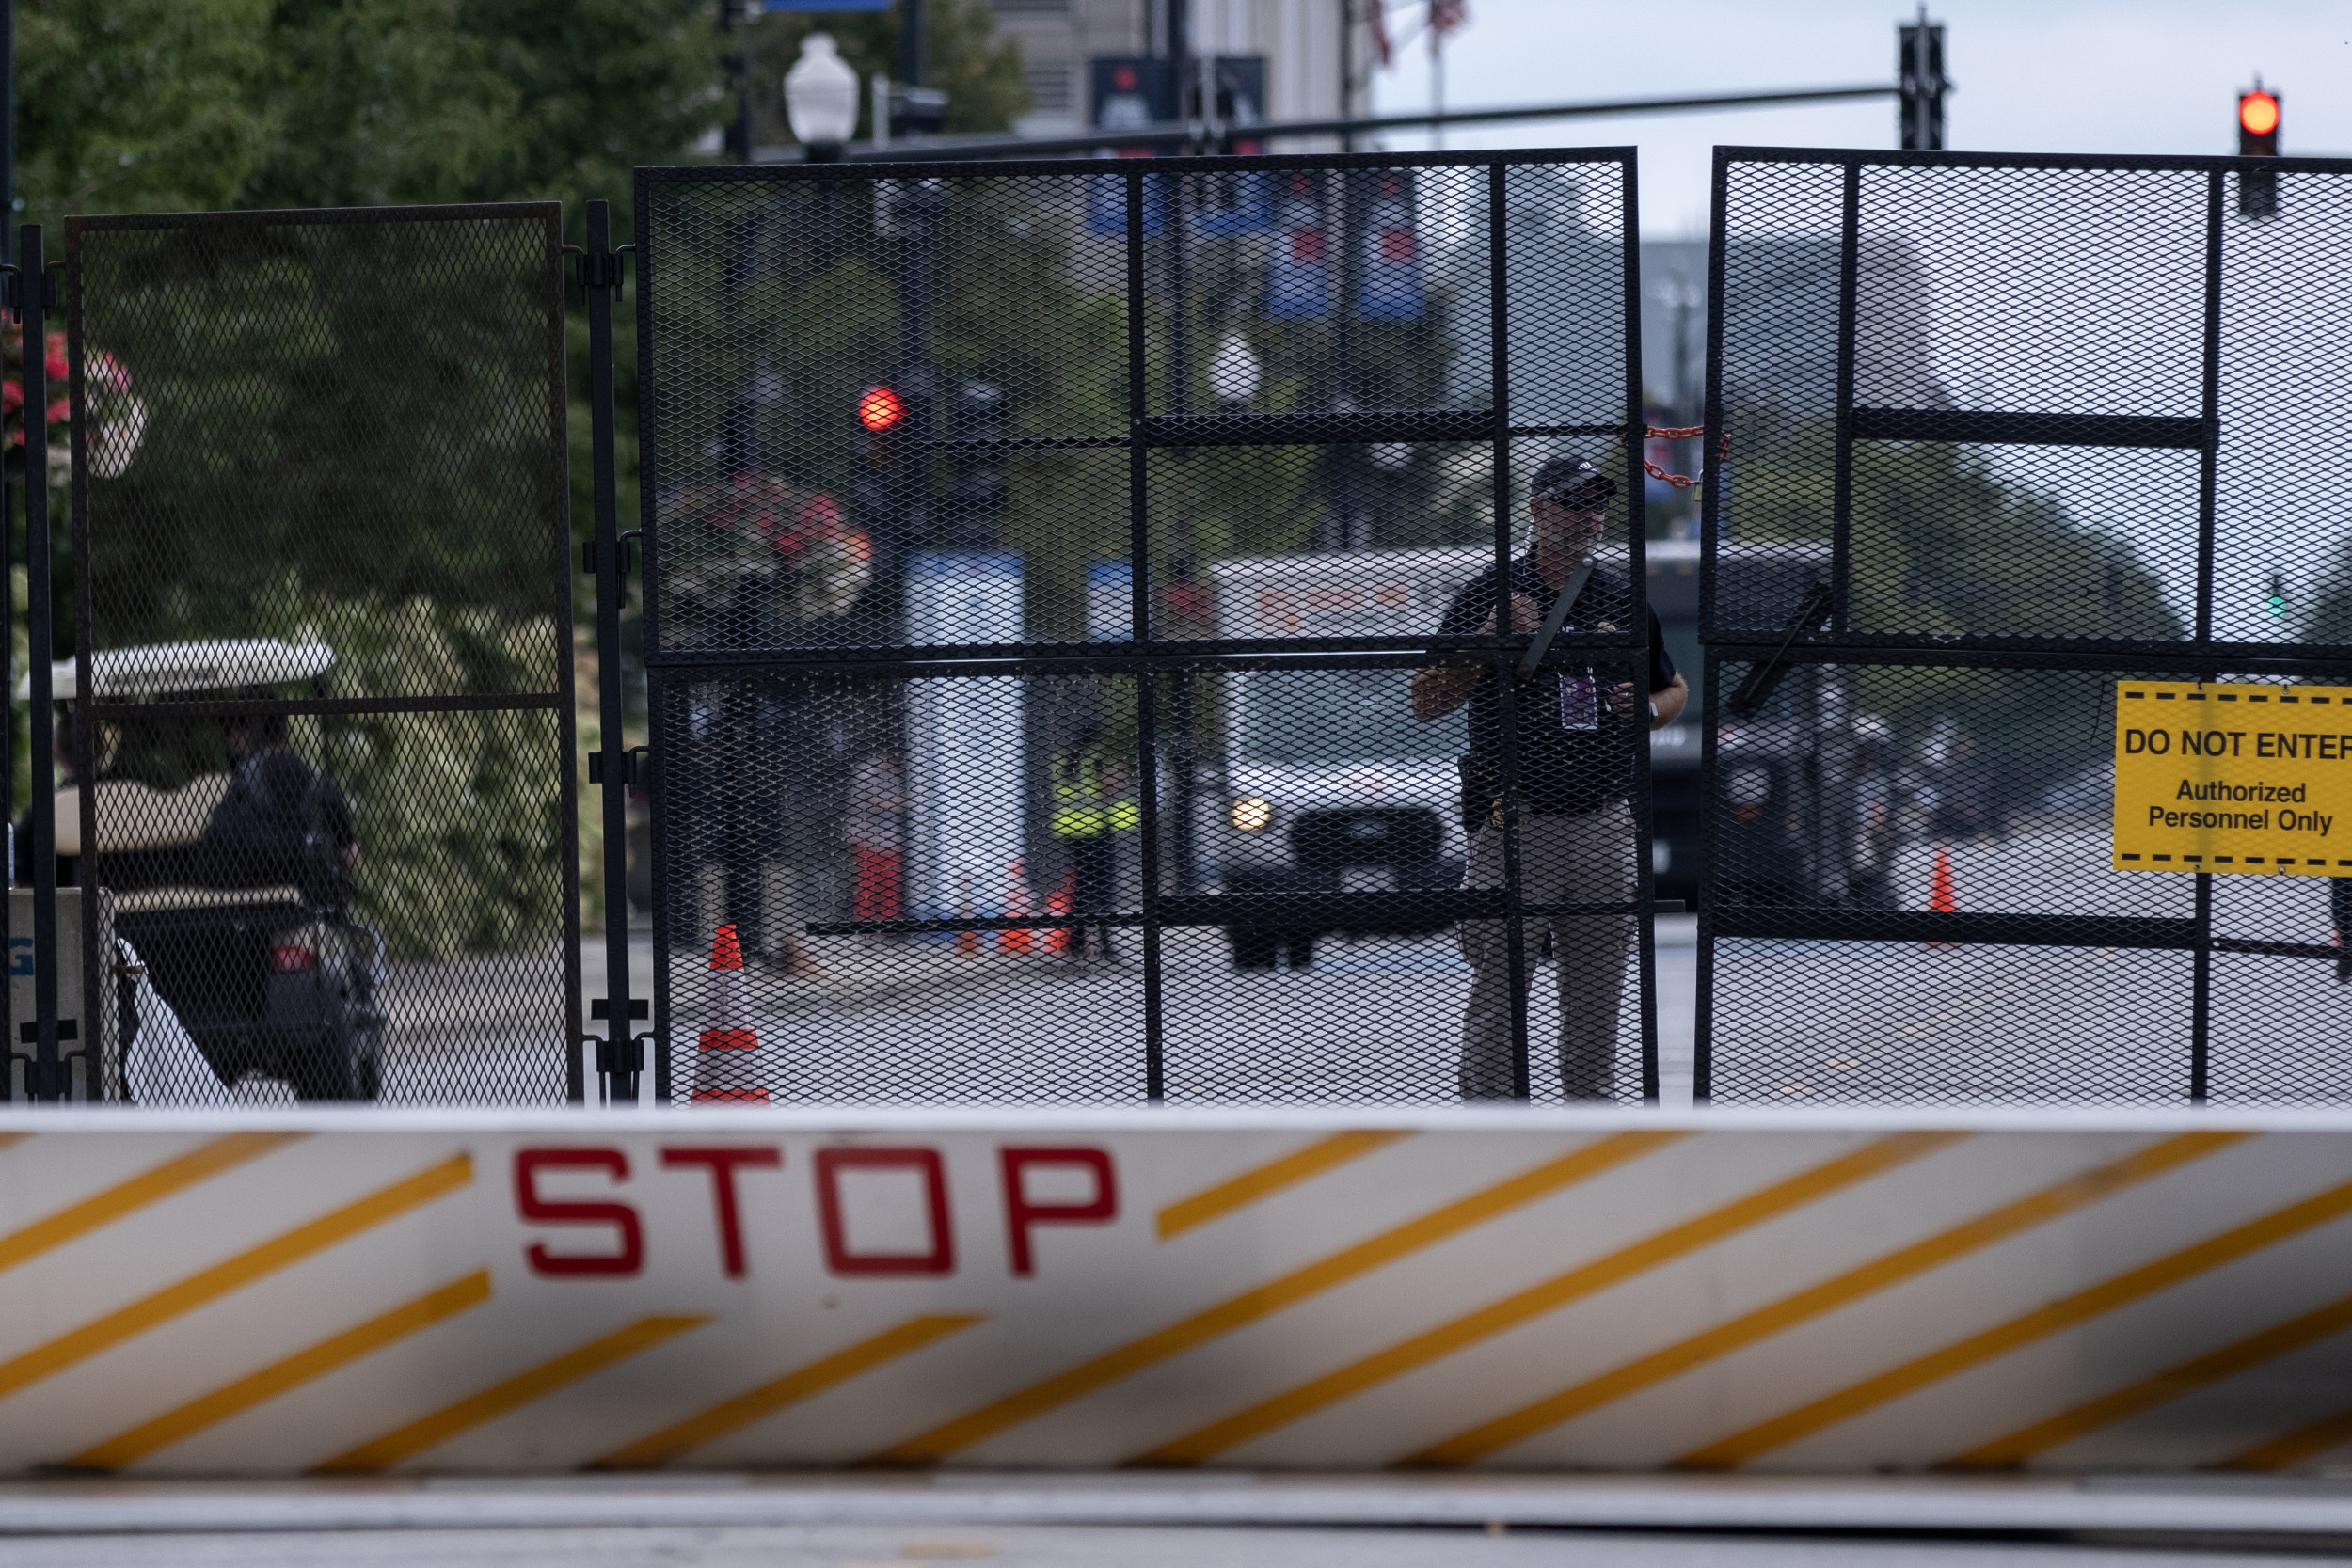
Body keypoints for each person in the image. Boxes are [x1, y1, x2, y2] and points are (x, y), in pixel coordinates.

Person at [1410, 456, 1688, 1101]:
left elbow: (1673, 687)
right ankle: (1494, 1120)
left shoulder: (1623, 597)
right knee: (1499, 987)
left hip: (1603, 821)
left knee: (1597, 992)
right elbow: (1425, 701)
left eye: (1596, 502)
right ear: (1536, 510)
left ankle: (1590, 1122)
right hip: (1517, 820)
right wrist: (1489, 639)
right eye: (1572, 502)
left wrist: (1644, 709)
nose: (1587, 515)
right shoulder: (1488, 592)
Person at [199, 711, 358, 905]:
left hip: (250, 903)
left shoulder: (244, 784)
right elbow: (351, 857)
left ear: (246, 734)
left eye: (232, 734)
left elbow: (215, 844)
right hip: (309, 897)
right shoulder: (314, 780)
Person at [1050, 731, 1137, 962]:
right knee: (1099, 890)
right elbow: (1106, 785)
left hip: (1081, 830)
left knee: (1084, 890)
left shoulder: (1067, 759)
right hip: (1093, 830)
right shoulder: (1086, 760)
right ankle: (1100, 943)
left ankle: (1078, 942)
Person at [845, 747, 907, 936]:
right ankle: (865, 926)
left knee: (891, 884)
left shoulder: (892, 774)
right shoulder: (867, 772)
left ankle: (889, 926)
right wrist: (897, 803)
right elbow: (866, 802)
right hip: (868, 837)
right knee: (868, 883)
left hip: (890, 837)